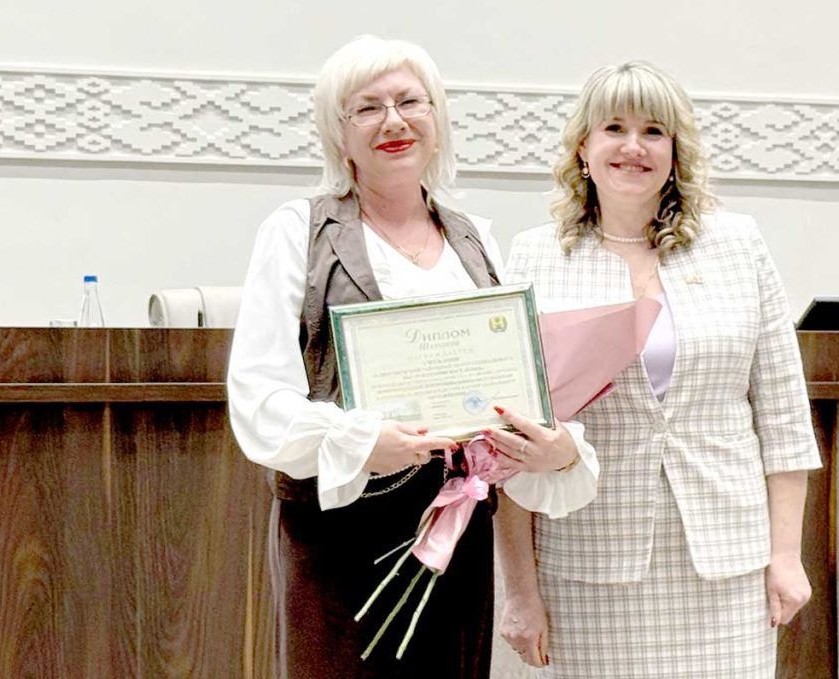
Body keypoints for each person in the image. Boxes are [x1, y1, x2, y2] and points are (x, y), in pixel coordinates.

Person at [226, 36, 595, 679]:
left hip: (459, 533)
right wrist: (361, 441)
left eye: (409, 102)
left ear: (437, 119)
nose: (393, 121)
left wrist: (547, 445)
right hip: (340, 537)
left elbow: (508, 386)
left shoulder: (475, 239)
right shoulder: (297, 231)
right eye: (367, 108)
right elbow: (259, 399)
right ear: (338, 133)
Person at [496, 61, 822, 677]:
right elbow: (510, 450)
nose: (633, 146)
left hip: (728, 563)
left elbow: (783, 417)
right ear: (583, 148)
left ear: (675, 151)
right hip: (589, 562)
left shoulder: (738, 245)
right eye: (614, 128)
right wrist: (519, 590)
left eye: (653, 131)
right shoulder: (536, 257)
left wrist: (786, 555)